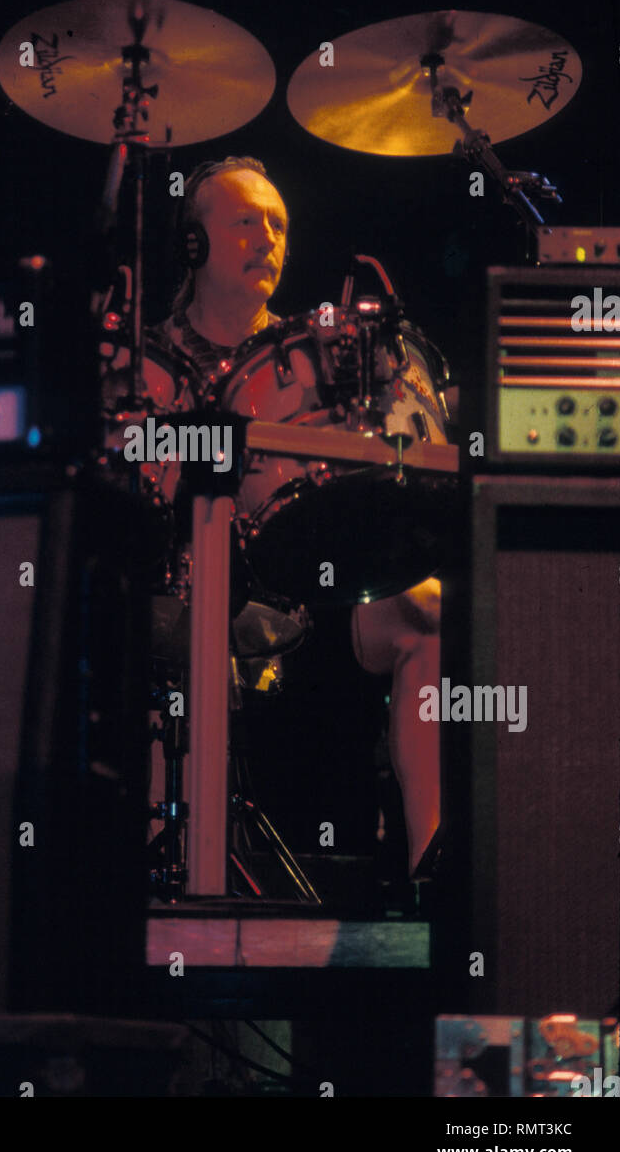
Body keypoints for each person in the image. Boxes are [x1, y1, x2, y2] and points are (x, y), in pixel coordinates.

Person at [152, 156, 443, 877]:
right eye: (245, 220)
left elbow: (352, 475)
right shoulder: (144, 358)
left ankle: (432, 866)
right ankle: (147, 894)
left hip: (304, 588)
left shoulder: (309, 354)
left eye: (278, 225)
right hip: (179, 597)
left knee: (425, 608)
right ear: (192, 242)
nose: (267, 238)